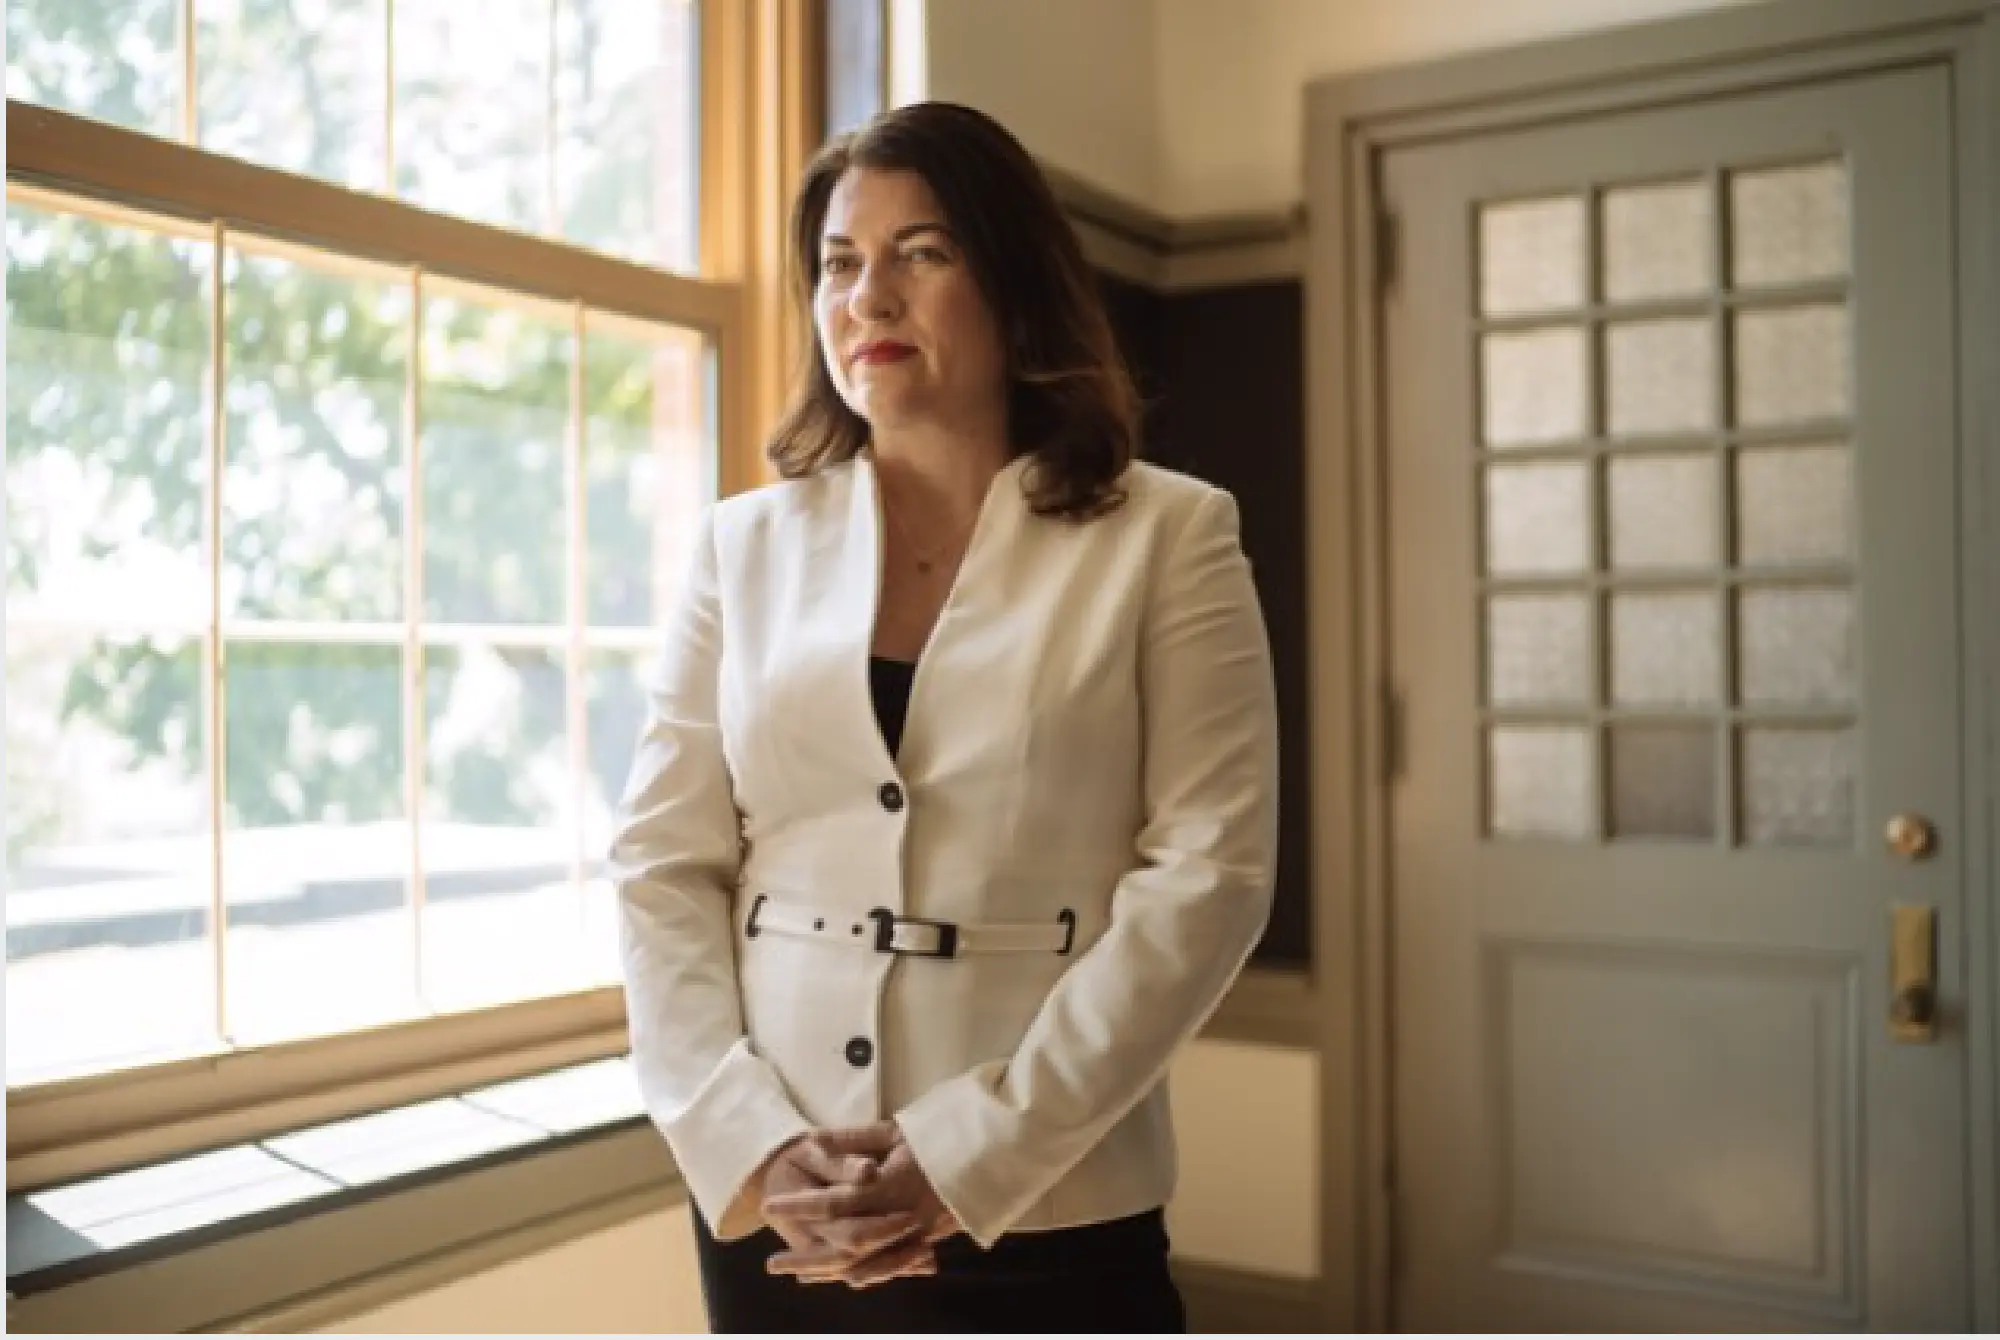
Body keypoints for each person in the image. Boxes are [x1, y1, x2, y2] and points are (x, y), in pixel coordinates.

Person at [608, 99, 1278, 1334]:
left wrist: (971, 1150)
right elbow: (662, 863)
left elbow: (1209, 875)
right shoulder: (738, 547)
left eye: (920, 253)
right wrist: (748, 1140)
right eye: (838, 263)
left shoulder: (1169, 533)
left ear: (1014, 285)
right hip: (786, 1196)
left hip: (1053, 1188)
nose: (867, 296)